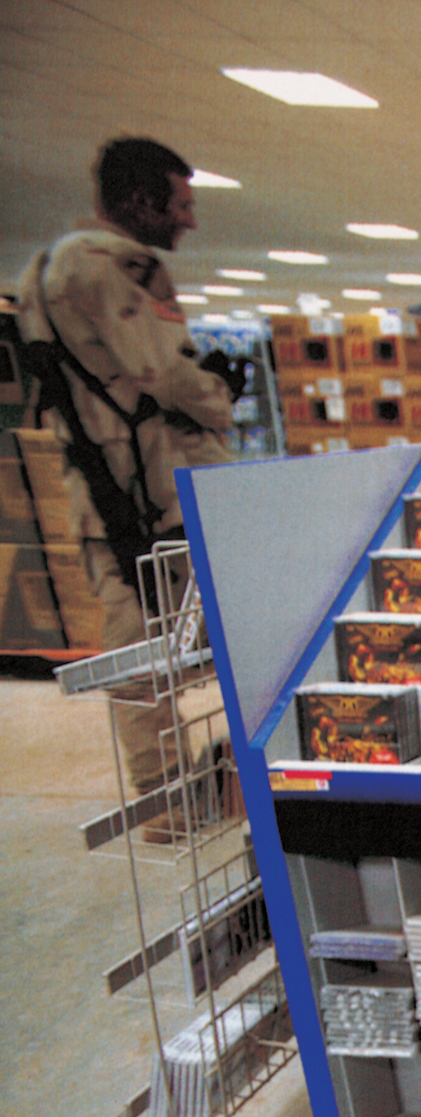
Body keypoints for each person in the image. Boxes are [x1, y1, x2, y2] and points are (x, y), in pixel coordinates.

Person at [17, 137, 236, 812]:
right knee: (164, 647)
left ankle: (170, 795)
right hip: (158, 491)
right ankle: (180, 799)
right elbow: (163, 373)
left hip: (104, 493)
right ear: (141, 202)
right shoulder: (115, 265)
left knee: (140, 651)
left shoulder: (41, 272)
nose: (189, 220)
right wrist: (220, 396)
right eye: (181, 204)